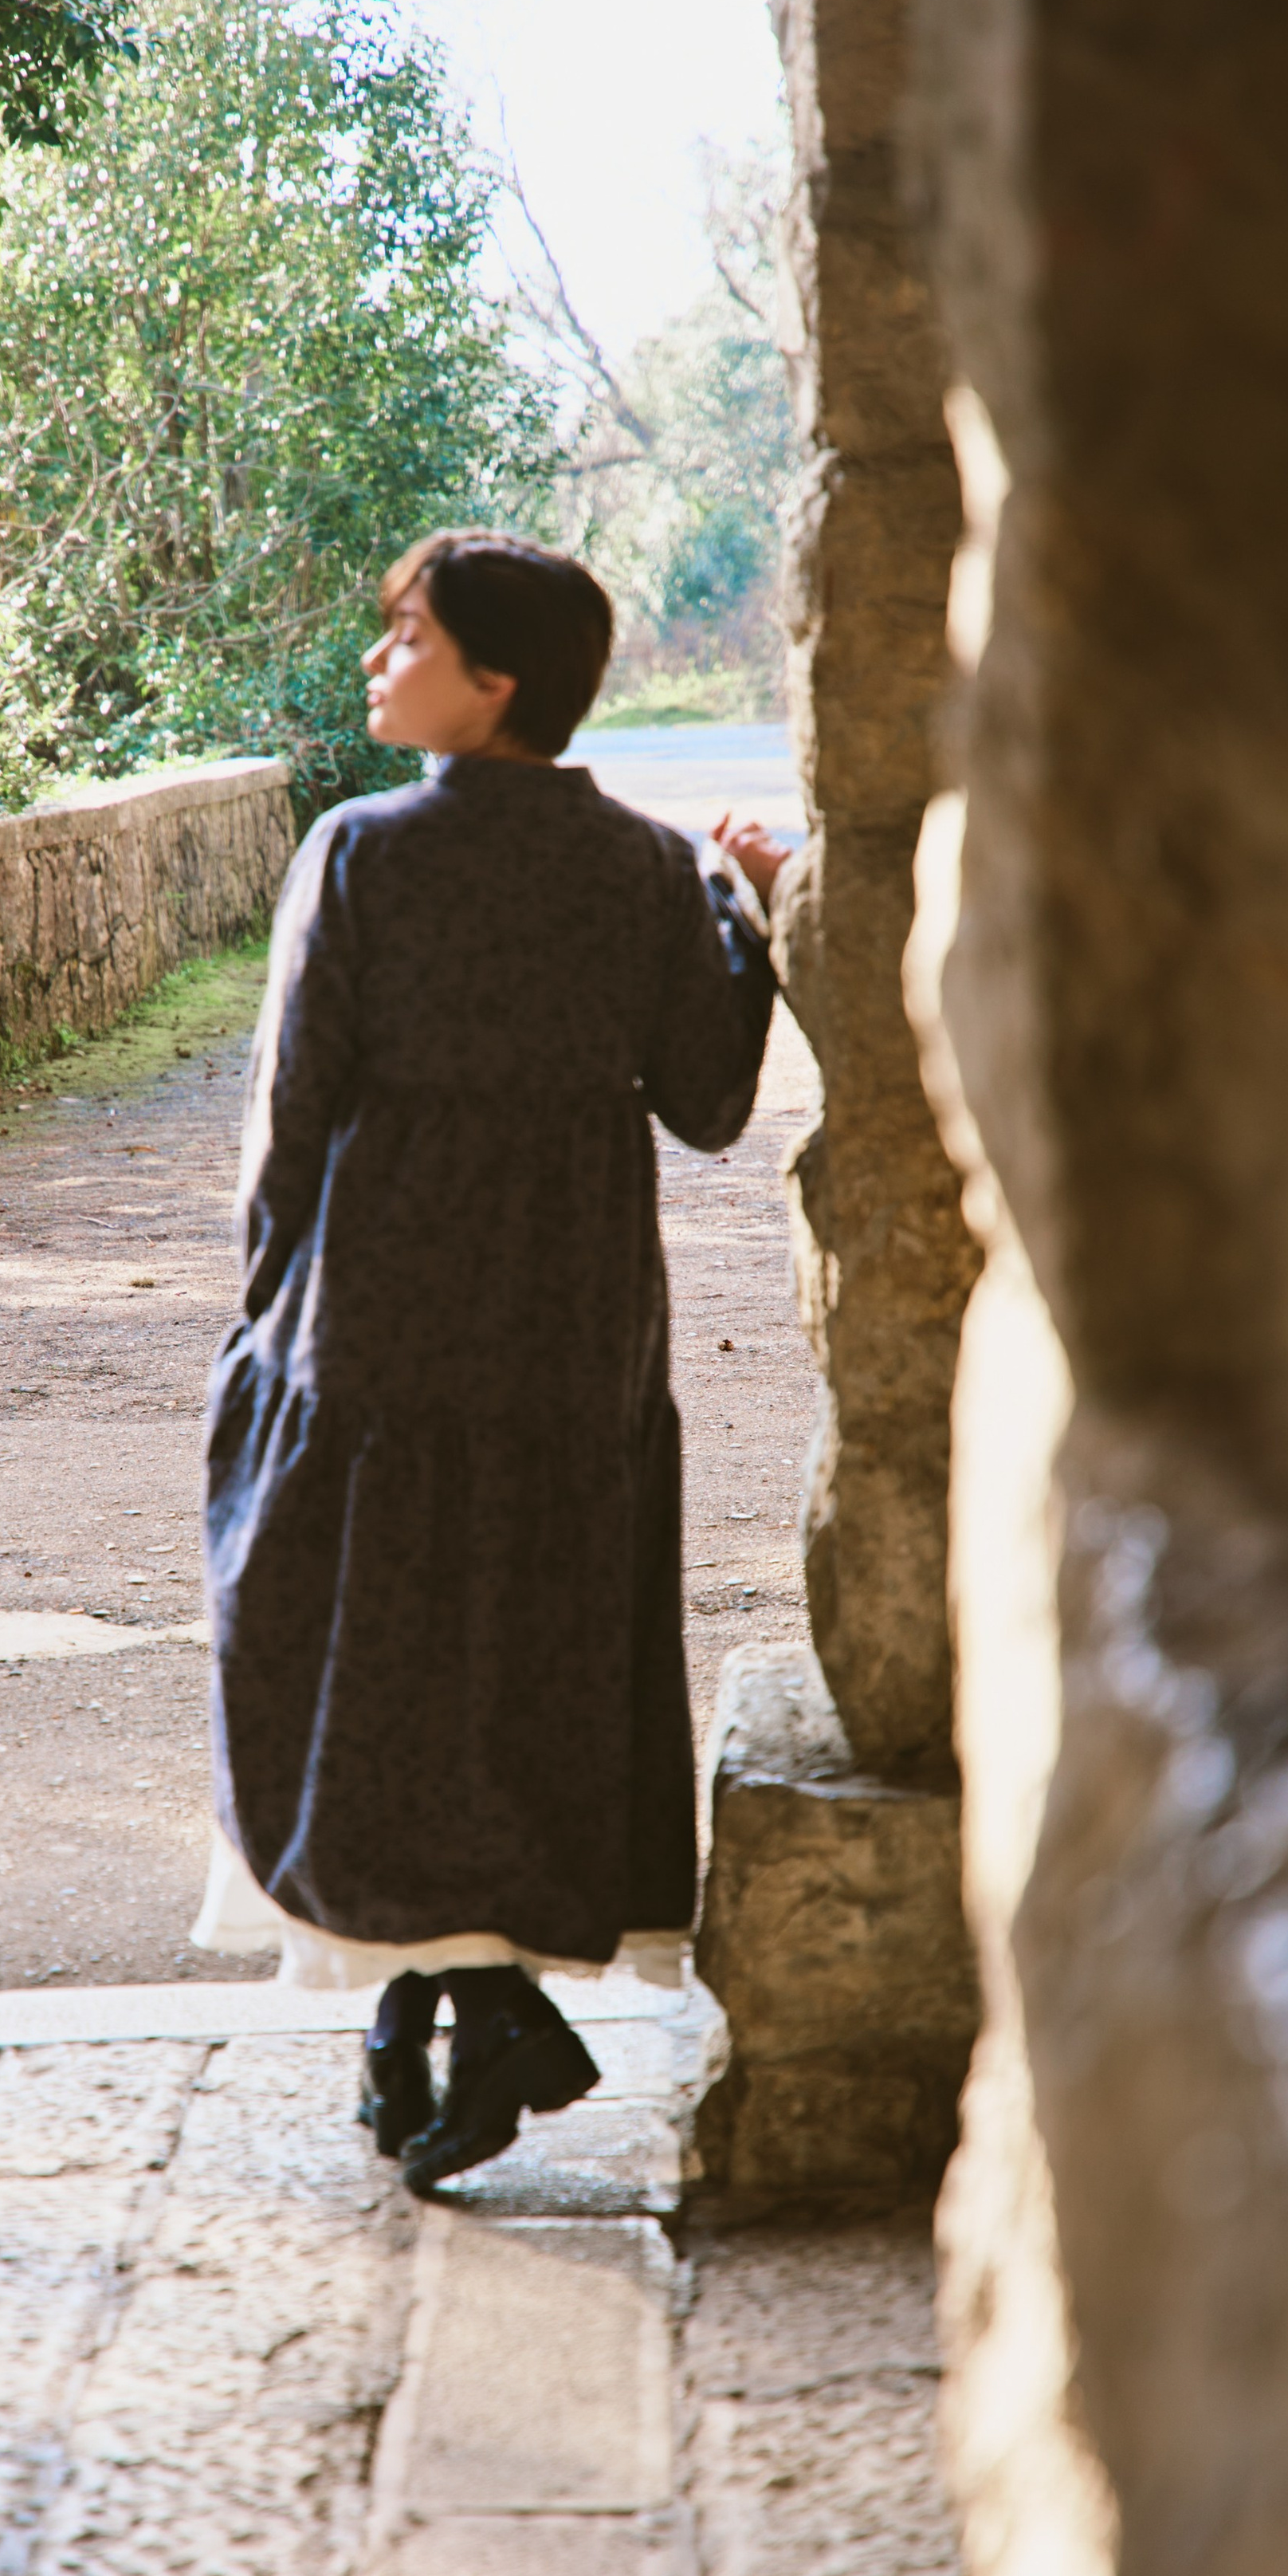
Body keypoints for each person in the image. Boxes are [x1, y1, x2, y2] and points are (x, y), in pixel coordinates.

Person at [191, 527, 786, 2191]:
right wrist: (748, 913)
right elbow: (710, 1103)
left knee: (365, 1647)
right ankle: (438, 2010)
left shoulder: (359, 852)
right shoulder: (647, 869)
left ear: (494, 681)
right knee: (524, 1634)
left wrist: (261, 1324)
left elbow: (292, 1113)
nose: (378, 661)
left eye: (405, 637)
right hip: (573, 1318)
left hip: (379, 1304)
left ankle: (476, 2007)